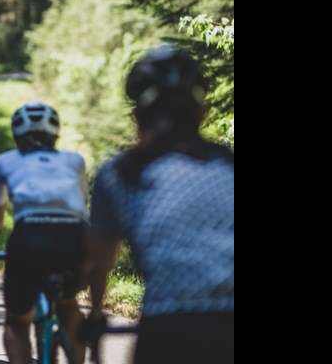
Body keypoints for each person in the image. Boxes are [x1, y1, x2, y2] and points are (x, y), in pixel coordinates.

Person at [85, 45, 234, 364]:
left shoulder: (121, 173)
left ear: (137, 119)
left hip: (170, 325)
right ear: (202, 114)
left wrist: (96, 314)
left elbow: (99, 263)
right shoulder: (228, 165)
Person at [0, 101, 90, 364]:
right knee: (69, 303)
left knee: (17, 322)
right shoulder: (74, 160)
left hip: (29, 238)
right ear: (55, 133)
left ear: (17, 135)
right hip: (74, 236)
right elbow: (82, 206)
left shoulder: (5, 161)